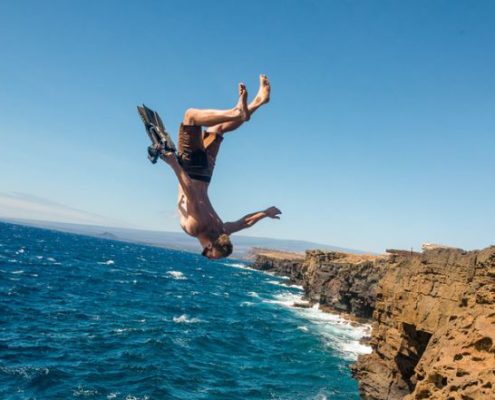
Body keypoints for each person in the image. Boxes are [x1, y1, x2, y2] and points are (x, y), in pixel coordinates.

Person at [157, 74, 281, 259]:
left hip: (207, 173)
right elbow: (190, 191)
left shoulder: (222, 229)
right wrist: (173, 163)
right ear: (209, 244)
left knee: (217, 129)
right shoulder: (195, 228)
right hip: (192, 169)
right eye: (207, 251)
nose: (204, 251)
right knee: (190, 116)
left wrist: (265, 213)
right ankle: (237, 112)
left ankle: (259, 101)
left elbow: (245, 222)